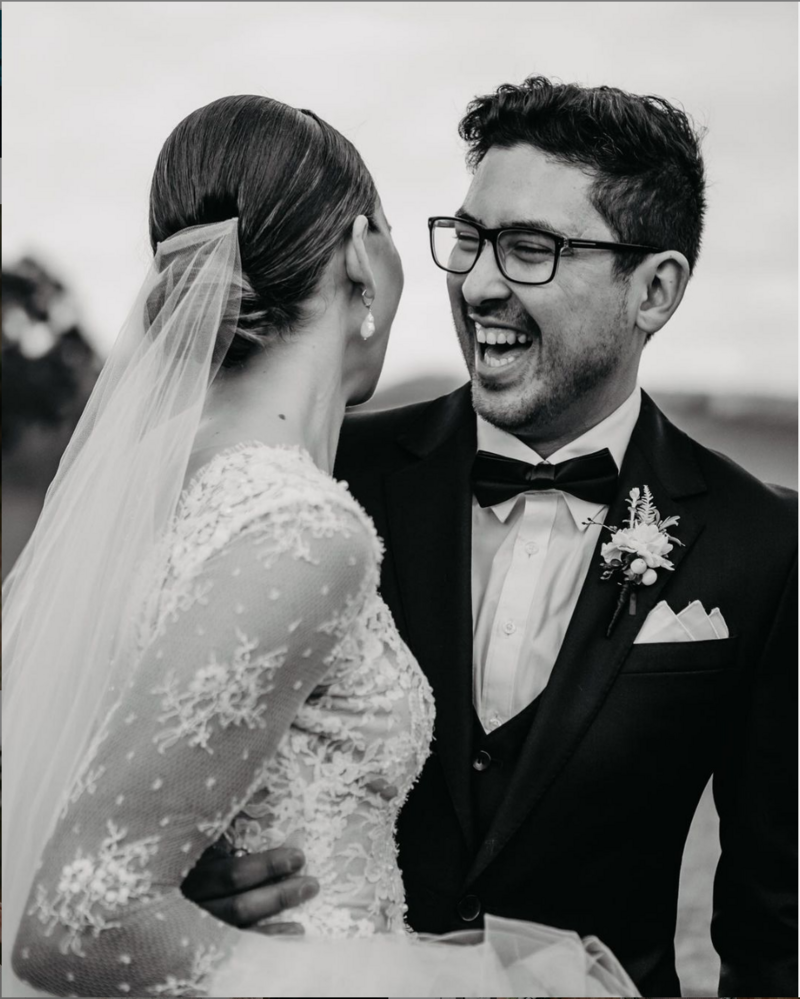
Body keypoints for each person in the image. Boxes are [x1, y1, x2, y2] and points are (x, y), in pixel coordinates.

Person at [4, 95, 638, 997]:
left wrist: (179, 893)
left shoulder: (155, 482)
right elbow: (81, 916)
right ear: (358, 252)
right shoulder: (299, 527)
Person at [182, 78, 798, 997]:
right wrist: (193, 894)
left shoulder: (765, 542)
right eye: (468, 238)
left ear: (655, 289)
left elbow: (774, 925)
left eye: (531, 248)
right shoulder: (320, 478)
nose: (476, 282)